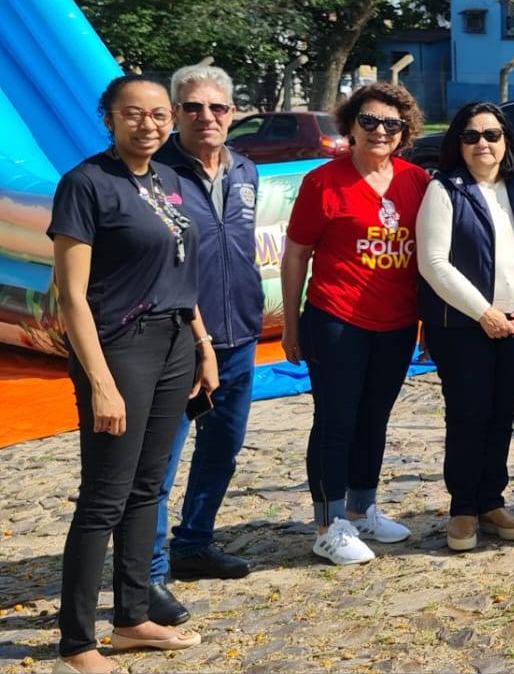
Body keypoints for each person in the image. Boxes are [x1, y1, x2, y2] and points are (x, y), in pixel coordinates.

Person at [51, 75, 215, 671]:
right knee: (104, 496)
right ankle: (77, 642)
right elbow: (71, 296)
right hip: (119, 348)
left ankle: (132, 618)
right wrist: (100, 381)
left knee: (147, 489)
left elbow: (180, 273)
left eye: (158, 114)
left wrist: (202, 344)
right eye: (133, 114)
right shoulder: (86, 184)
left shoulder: (168, 179)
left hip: (174, 342)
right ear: (110, 119)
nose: (148, 125)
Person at [280, 82, 431, 565]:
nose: (380, 131)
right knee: (336, 420)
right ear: (350, 126)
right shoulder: (323, 182)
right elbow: (296, 254)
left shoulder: (416, 181)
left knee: (374, 418)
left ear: (405, 131)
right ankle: (328, 524)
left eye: (392, 123)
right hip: (337, 319)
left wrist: (429, 322)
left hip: (396, 322)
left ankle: (362, 509)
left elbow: (430, 257)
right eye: (369, 121)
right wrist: (291, 324)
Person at [417, 101, 514, 552]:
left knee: (502, 414)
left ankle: (491, 501)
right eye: (472, 135)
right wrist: (483, 312)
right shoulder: (444, 190)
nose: (483, 143)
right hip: (463, 327)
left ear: (506, 142)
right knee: (468, 414)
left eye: (492, 135)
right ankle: (463, 507)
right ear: (458, 143)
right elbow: (433, 263)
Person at [147, 66, 260, 619]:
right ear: (175, 113)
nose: (206, 117)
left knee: (221, 450)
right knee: (157, 467)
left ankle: (193, 544)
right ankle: (147, 575)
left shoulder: (245, 169)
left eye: (217, 107)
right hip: (173, 341)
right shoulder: (152, 172)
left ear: (232, 113)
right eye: (192, 107)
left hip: (239, 335)